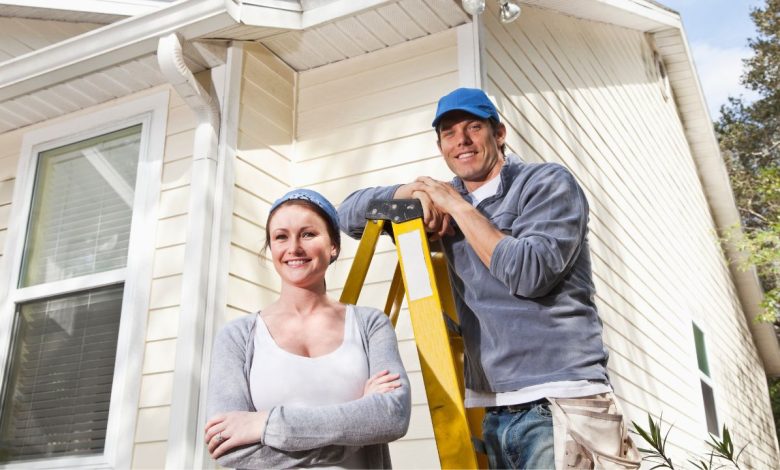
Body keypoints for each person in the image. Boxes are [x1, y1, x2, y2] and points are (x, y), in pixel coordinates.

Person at [338, 88, 640, 469]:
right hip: (496, 410)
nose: (461, 141)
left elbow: (530, 272)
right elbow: (346, 216)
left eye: (473, 127)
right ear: (440, 146)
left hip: (563, 399)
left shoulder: (545, 183)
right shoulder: (447, 198)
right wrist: (413, 192)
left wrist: (457, 207)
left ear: (499, 134)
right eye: (449, 133)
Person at [204, 188, 411, 469]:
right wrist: (358, 426)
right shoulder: (238, 336)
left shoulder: (370, 325)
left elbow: (392, 417)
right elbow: (226, 445)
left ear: (333, 246)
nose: (294, 248)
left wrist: (266, 423)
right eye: (281, 237)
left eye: (308, 234)